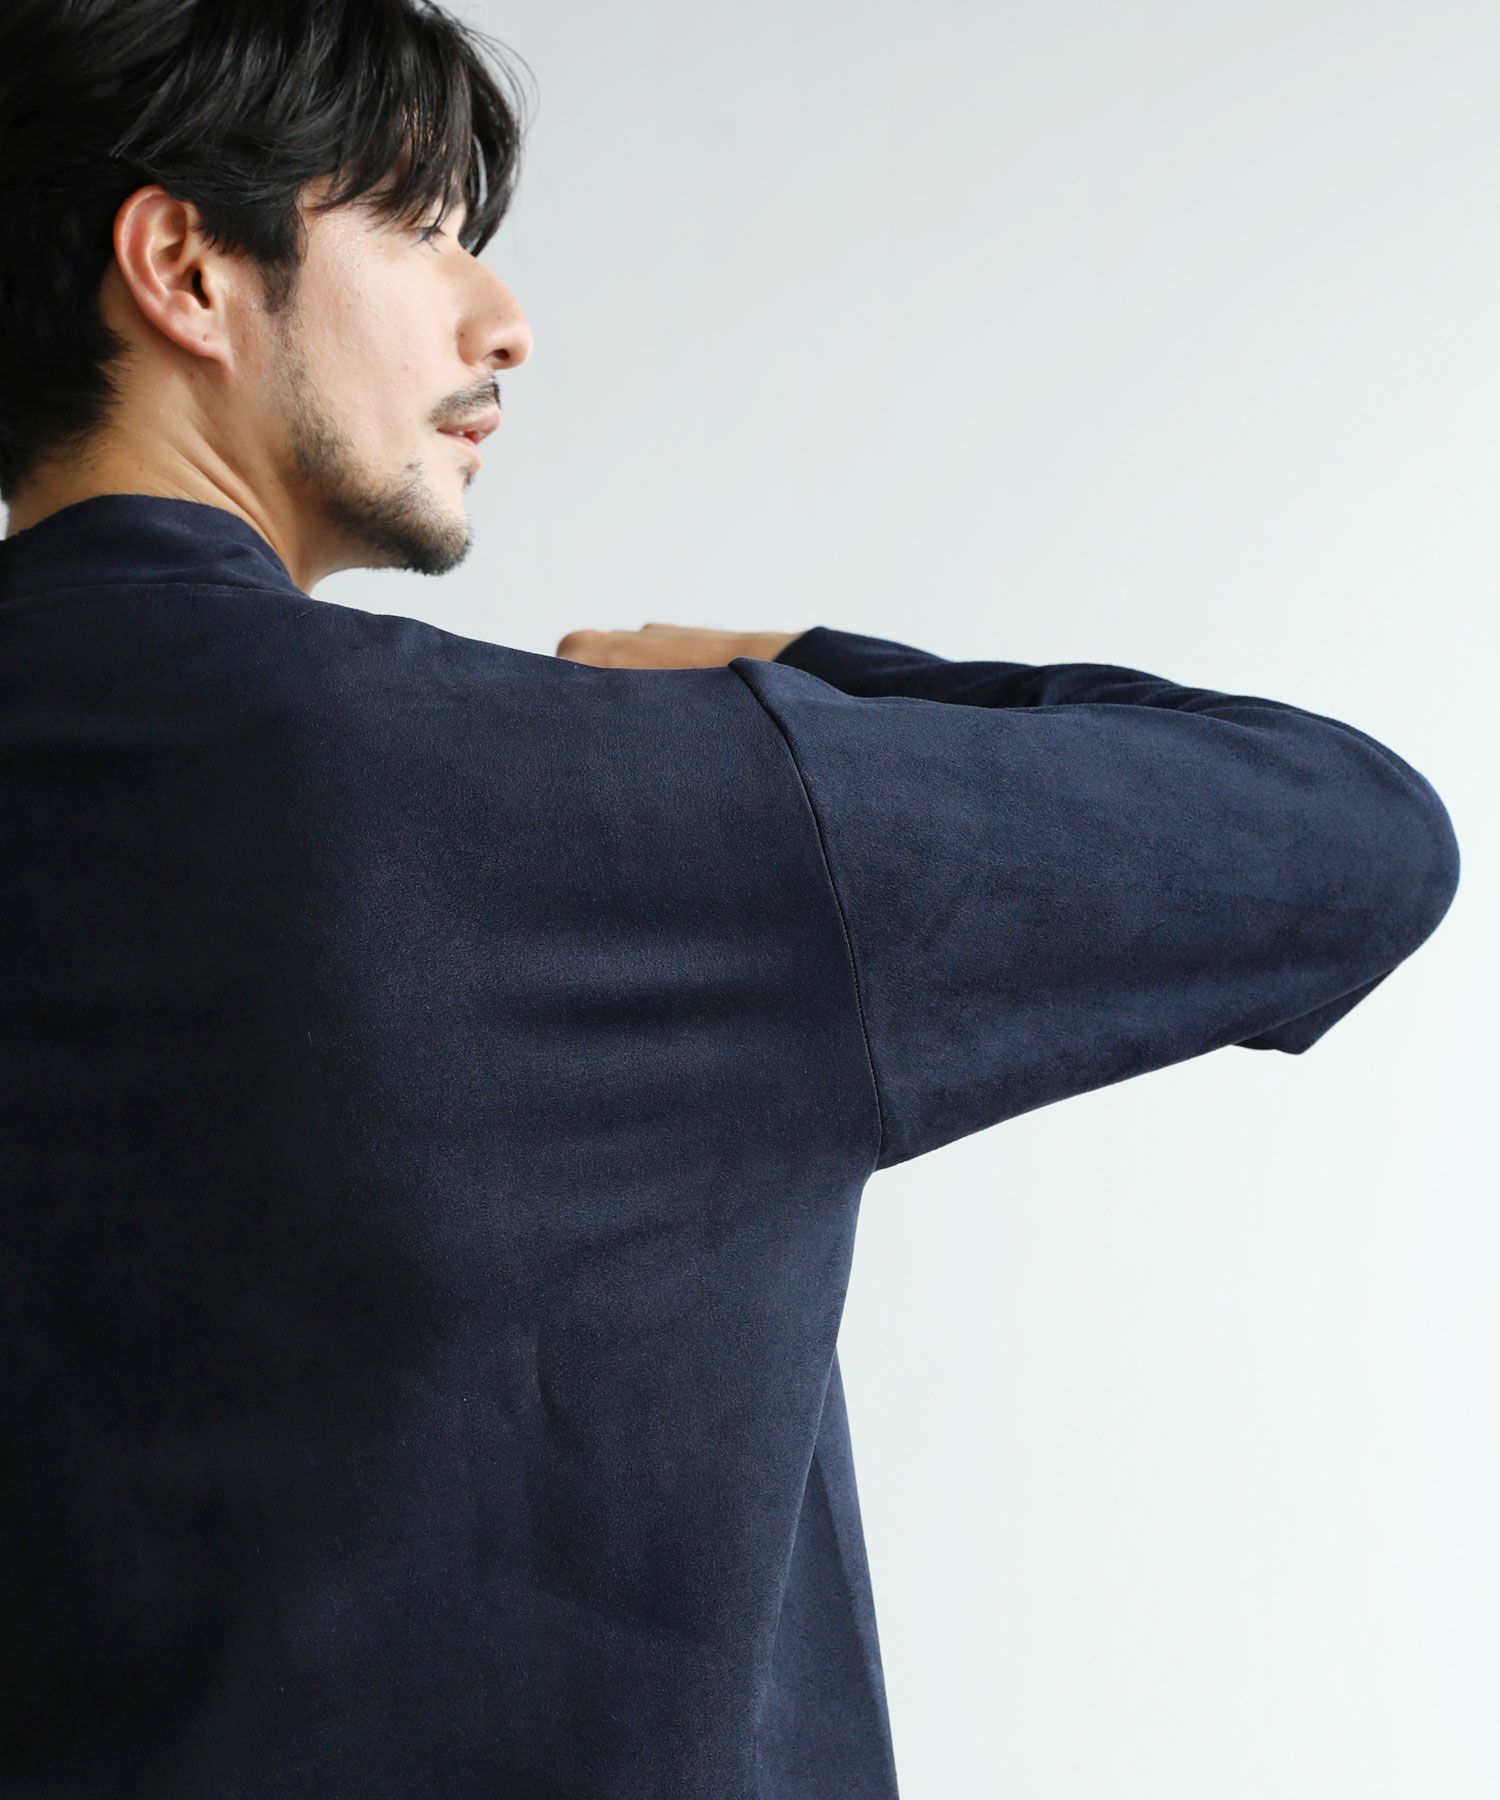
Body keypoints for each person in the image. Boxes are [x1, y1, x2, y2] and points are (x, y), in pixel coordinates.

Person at [0, 3, 1461, 1797]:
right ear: (185, 270)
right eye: (420, 226)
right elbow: (1353, 838)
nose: (500, 318)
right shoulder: (602, 812)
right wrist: (800, 679)